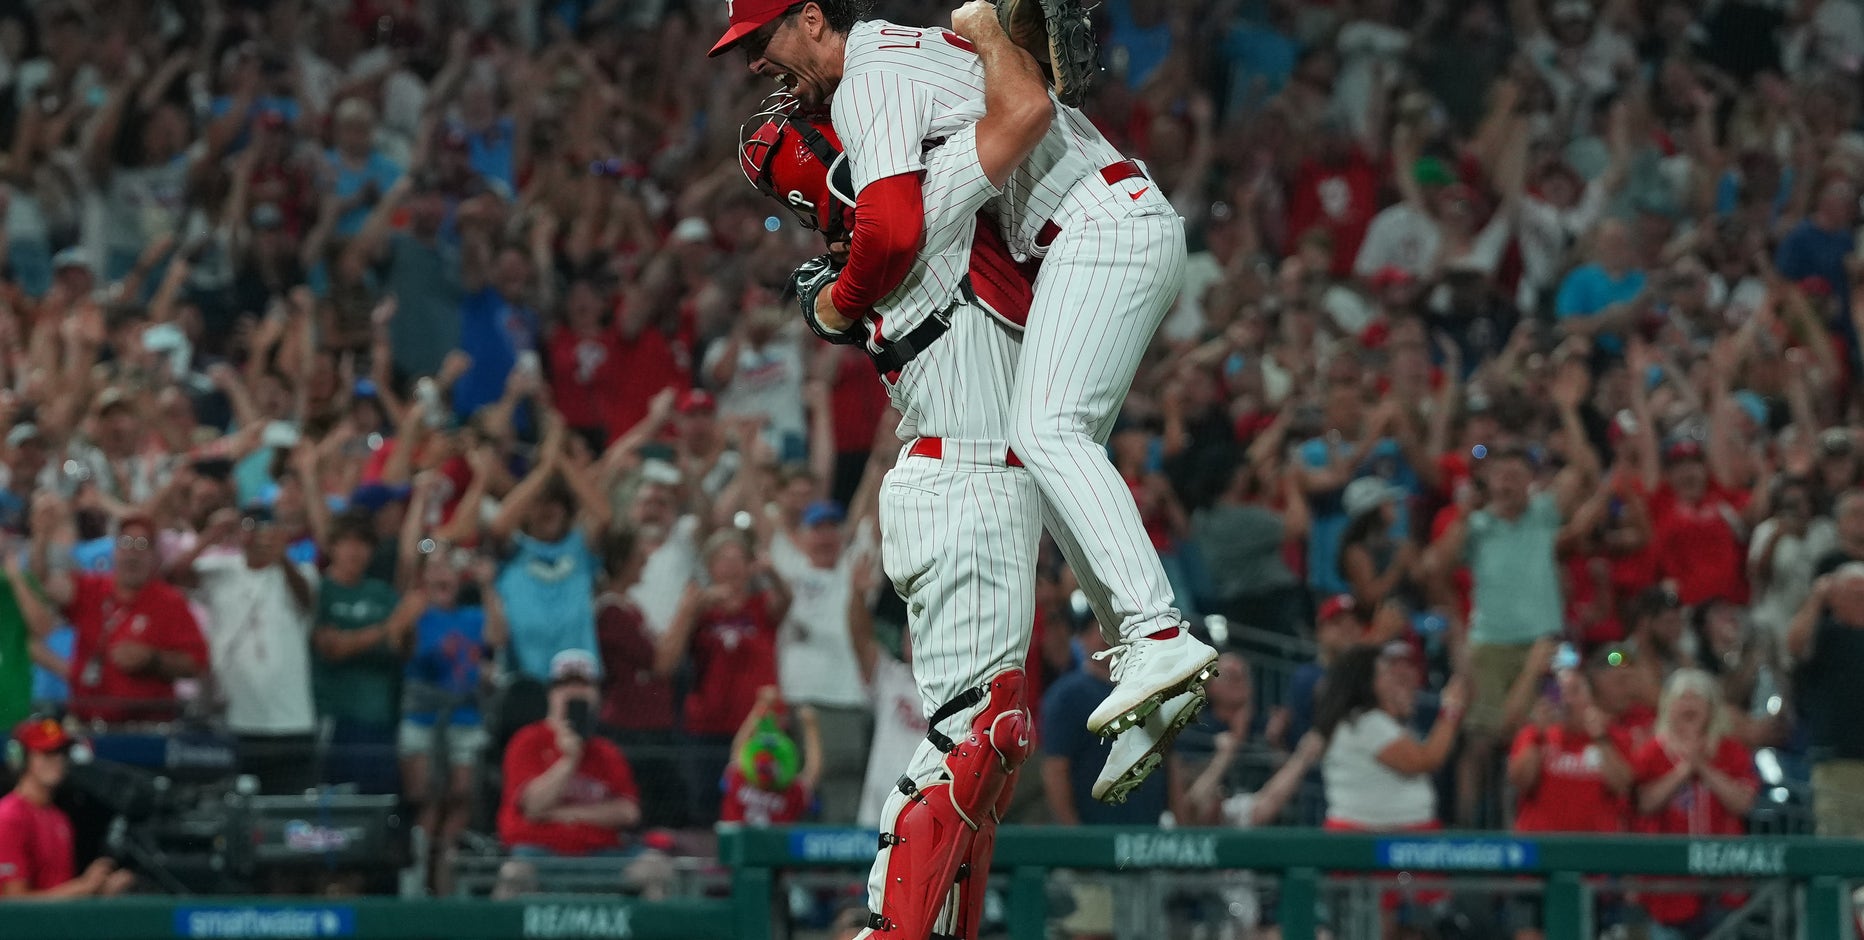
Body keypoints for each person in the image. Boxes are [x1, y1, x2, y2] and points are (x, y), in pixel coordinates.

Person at [731, 14, 1198, 938]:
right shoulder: (908, 208)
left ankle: (927, 928)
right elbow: (1009, 125)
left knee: (989, 749)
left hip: (969, 480)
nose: (803, 102)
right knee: (978, 736)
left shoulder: (869, 235)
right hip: (962, 483)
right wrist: (991, 34)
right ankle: (889, 929)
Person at [173, 505, 319, 794]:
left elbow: (307, 601)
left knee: (286, 814)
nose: (257, 535)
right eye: (250, 526)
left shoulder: (302, 572)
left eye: (265, 527)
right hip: (238, 720)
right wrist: (210, 535)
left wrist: (283, 560)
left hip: (292, 721)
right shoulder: (220, 570)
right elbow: (173, 576)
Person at [32, 508, 209, 724]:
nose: (133, 553)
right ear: (114, 550)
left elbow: (195, 664)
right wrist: (41, 536)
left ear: (154, 556)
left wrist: (153, 660)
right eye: (126, 543)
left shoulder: (170, 602)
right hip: (87, 723)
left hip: (147, 727)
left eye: (142, 545)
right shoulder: (91, 589)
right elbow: (44, 582)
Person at [399, 549, 506, 896]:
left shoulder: (473, 617)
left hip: (464, 717)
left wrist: (488, 587)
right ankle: (417, 878)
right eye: (435, 569)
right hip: (423, 718)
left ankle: (446, 876)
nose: (443, 576)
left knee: (460, 797)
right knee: (425, 798)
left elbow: (498, 639)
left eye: (449, 570)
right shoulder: (415, 613)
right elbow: (402, 648)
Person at [1630, 669, 1758, 936]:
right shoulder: (1652, 752)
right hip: (1666, 886)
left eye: (1696, 698)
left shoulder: (1730, 750)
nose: (1688, 705)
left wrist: (1703, 767)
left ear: (1711, 707)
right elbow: (1644, 803)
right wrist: (1683, 771)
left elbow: (1742, 804)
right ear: (1669, 707)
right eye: (1681, 698)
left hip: (1721, 883)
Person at [497, 649, 642, 858]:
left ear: (596, 694)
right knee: (515, 874)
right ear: (551, 693)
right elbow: (534, 808)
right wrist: (569, 761)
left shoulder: (606, 751)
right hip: (538, 849)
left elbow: (628, 812)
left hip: (599, 851)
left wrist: (566, 814)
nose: (574, 691)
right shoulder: (527, 740)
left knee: (653, 868)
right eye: (564, 684)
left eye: (583, 684)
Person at [311, 513, 415, 793]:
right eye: (347, 542)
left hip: (382, 716)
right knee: (334, 799)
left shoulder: (381, 593)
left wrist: (408, 625)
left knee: (378, 802)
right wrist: (389, 627)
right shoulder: (321, 590)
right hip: (336, 715)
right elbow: (332, 648)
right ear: (332, 547)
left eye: (363, 544)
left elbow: (404, 650)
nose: (355, 551)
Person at [1314, 643, 1466, 833]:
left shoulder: (1362, 721)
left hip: (1388, 837)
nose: (1392, 679)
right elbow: (1424, 760)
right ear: (1366, 682)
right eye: (1384, 674)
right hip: (1370, 843)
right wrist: (1451, 710)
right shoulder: (1366, 723)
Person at [0, 717, 133, 899]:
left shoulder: (59, 817)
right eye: (47, 753)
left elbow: (60, 896)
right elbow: (13, 903)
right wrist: (84, 886)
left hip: (58, 925)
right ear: (23, 759)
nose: (58, 761)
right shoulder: (9, 817)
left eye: (62, 753)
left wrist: (100, 891)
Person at [1787, 562, 1864, 838]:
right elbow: (1794, 646)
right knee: (1837, 845)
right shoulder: (1822, 633)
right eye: (1853, 593)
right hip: (1836, 761)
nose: (1860, 600)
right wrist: (1817, 598)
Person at [719, 686, 822, 827]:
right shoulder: (741, 777)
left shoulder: (790, 790)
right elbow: (813, 772)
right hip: (743, 847)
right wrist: (811, 726)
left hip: (759, 847)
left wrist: (762, 705)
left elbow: (739, 746)